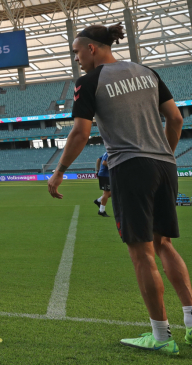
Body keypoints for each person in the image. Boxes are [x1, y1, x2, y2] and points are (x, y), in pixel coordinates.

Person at [48, 23, 191, 354]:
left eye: (77, 52)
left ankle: (161, 337)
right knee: (164, 244)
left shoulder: (89, 82)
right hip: (165, 165)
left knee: (141, 252)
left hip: (130, 167)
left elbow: (81, 133)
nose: (76, 59)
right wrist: (164, 155)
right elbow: (176, 119)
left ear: (91, 48)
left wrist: (59, 172)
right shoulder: (147, 72)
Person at [94, 152, 110, 217]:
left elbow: (98, 159)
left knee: (113, 192)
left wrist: (98, 170)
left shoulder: (106, 152)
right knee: (106, 193)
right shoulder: (109, 152)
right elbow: (104, 162)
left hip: (106, 175)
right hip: (105, 175)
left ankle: (99, 200)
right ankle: (101, 211)